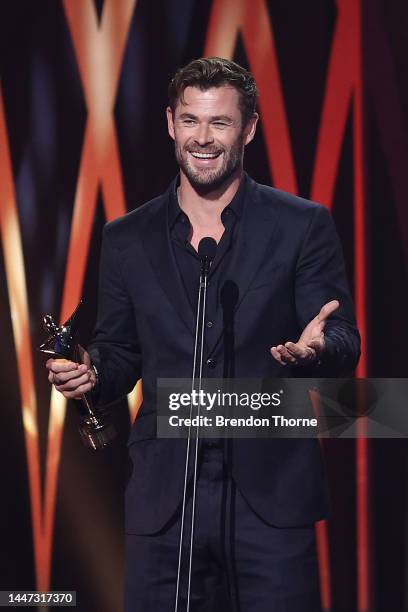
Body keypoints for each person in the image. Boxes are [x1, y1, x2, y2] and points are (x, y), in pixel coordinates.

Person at [46, 57, 360, 611]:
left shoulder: (301, 224)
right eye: (191, 121)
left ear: (250, 128)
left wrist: (317, 350)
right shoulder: (127, 237)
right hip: (166, 503)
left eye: (220, 123)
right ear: (170, 123)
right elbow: (120, 350)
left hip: (271, 503)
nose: (204, 139)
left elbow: (342, 339)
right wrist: (92, 372)